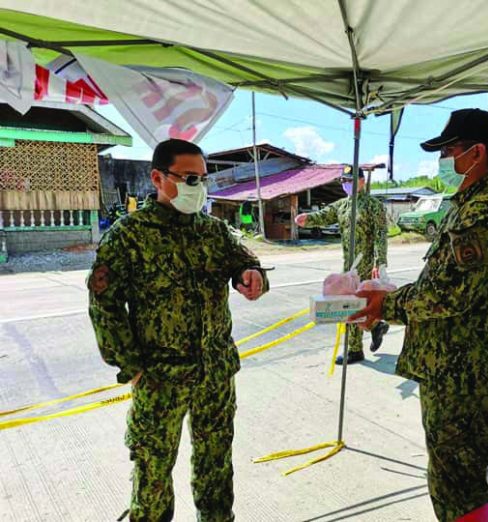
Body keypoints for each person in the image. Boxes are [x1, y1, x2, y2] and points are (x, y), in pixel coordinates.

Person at [350, 109, 488, 521]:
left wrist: (384, 305)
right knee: (452, 483)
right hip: (452, 369)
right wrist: (389, 297)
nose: (442, 160)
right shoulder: (465, 206)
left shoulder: (484, 212)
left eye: (448, 150)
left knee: (458, 493)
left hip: (463, 374)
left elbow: (448, 293)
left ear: (476, 153)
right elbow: (445, 285)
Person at [88, 139, 268, 522]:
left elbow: (247, 262)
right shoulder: (129, 235)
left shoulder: (213, 231)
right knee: (152, 471)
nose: (198, 188)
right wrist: (131, 364)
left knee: (216, 465)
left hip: (214, 374)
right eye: (189, 178)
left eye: (202, 179)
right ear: (158, 178)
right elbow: (104, 303)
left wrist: (251, 276)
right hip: (159, 378)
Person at [295, 166, 389, 364]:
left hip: (364, 263)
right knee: (350, 305)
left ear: (362, 182)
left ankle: (357, 348)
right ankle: (374, 327)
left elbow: (381, 234)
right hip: (348, 264)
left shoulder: (373, 206)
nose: (347, 184)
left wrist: (379, 262)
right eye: (345, 181)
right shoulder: (342, 206)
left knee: (355, 304)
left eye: (351, 180)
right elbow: (324, 215)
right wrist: (307, 219)